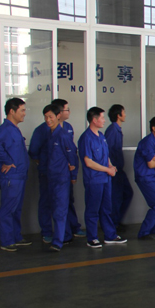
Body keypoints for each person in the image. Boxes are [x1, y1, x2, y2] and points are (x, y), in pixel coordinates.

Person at [78, 106, 127, 248]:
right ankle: (92, 238)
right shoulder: (86, 138)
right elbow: (88, 162)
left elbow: (106, 156)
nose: (104, 120)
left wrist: (111, 166)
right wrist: (107, 169)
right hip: (94, 180)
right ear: (94, 120)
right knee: (93, 209)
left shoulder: (101, 136)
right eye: (102, 118)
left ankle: (110, 235)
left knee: (106, 208)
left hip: (105, 179)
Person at [0, 98, 32, 252]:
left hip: (20, 175)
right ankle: (7, 241)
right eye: (22, 110)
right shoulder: (5, 129)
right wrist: (7, 161)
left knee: (16, 208)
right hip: (11, 177)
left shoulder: (14, 129)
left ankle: (16, 237)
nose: (24, 114)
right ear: (12, 111)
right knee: (8, 209)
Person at [43, 103, 77, 252]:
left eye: (51, 117)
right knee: (55, 208)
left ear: (58, 116)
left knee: (60, 210)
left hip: (62, 179)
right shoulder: (50, 135)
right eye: (46, 117)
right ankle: (66, 235)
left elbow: (72, 156)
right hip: (52, 178)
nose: (48, 120)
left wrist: (73, 175)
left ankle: (58, 242)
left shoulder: (63, 135)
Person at [53, 98, 85, 238]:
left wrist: (73, 172)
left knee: (68, 201)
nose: (69, 112)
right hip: (55, 173)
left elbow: (71, 151)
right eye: (67, 109)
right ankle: (59, 235)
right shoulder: (47, 130)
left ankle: (73, 227)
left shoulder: (68, 128)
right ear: (59, 112)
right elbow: (36, 151)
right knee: (57, 204)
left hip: (67, 173)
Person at [105, 104, 133, 229]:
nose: (125, 115)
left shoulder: (117, 129)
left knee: (127, 193)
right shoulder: (112, 130)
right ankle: (113, 223)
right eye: (124, 112)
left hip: (119, 170)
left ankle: (116, 220)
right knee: (116, 197)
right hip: (114, 170)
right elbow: (107, 150)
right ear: (118, 115)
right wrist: (110, 167)